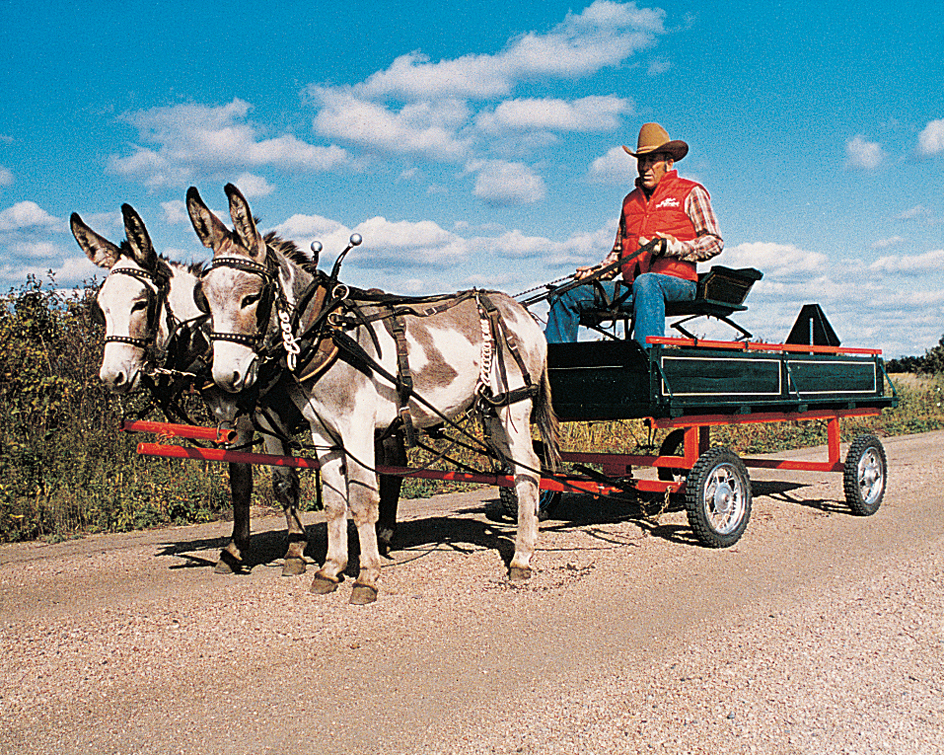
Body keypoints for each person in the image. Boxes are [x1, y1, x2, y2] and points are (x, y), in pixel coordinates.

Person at [545, 122, 723, 348]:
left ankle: (645, 363)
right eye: (642, 160)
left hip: (678, 285)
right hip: (634, 288)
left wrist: (674, 248)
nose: (645, 167)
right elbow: (619, 255)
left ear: (668, 163)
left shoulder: (691, 192)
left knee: (647, 283)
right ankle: (558, 370)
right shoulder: (629, 202)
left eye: (652, 160)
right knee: (565, 295)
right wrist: (596, 272)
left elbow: (714, 241)